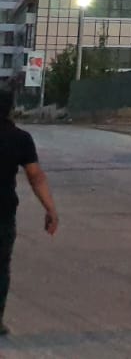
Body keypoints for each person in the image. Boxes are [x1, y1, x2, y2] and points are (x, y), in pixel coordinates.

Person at [0, 89, 57, 337]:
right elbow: (35, 177)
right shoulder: (20, 138)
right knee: (1, 267)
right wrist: (50, 209)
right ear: (10, 109)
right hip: (2, 213)